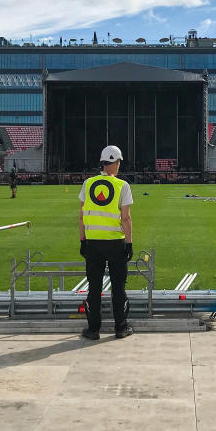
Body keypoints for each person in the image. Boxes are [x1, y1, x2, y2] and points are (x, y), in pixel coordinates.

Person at [79, 145, 134, 340]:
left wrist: (83, 240)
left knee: (94, 287)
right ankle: (121, 328)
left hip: (93, 243)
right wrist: (129, 243)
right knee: (118, 287)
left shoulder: (88, 184)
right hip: (115, 244)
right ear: (116, 163)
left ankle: (93, 330)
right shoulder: (122, 186)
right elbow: (125, 218)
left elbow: (81, 215)